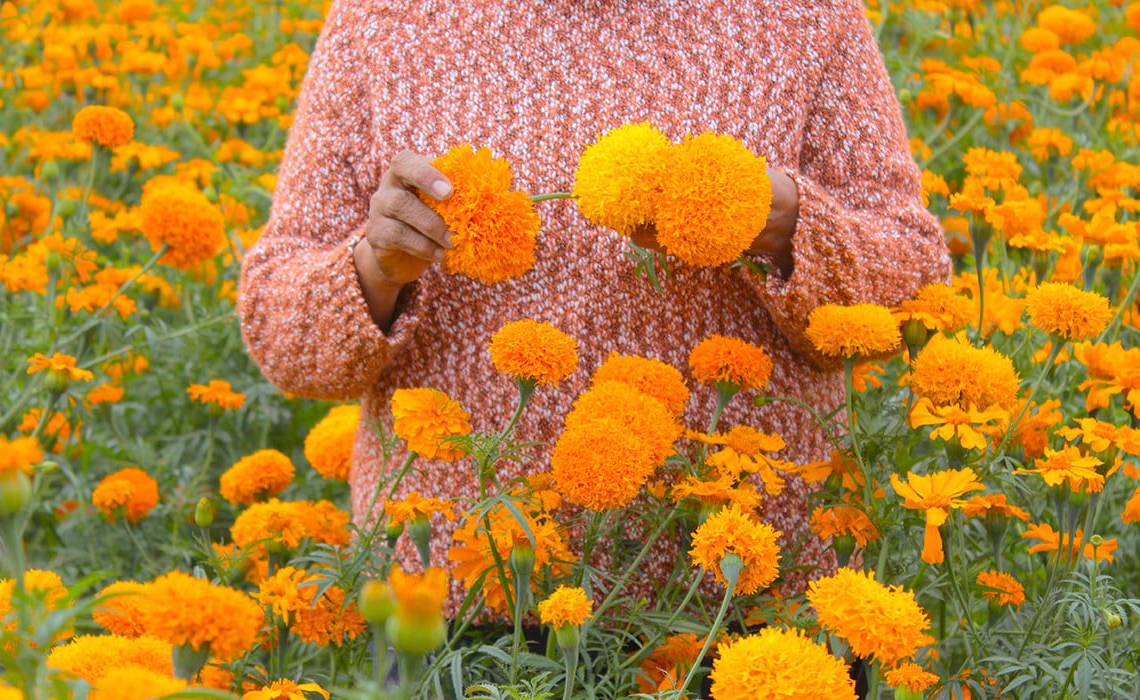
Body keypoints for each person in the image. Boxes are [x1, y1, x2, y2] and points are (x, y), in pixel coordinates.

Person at [238, 0, 949, 672]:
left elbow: (916, 284)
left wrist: (787, 225)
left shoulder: (804, 14)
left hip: (751, 603)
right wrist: (375, 267)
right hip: (464, 601)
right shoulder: (384, 17)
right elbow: (280, 330)